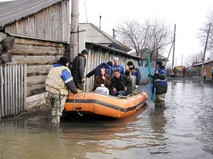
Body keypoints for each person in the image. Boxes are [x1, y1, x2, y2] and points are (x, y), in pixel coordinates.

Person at [45, 57, 78, 123]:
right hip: (58, 93)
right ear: (66, 63)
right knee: (57, 113)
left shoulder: (53, 68)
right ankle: (55, 130)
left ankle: (53, 120)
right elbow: (69, 83)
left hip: (50, 91)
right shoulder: (64, 70)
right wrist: (75, 91)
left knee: (54, 109)